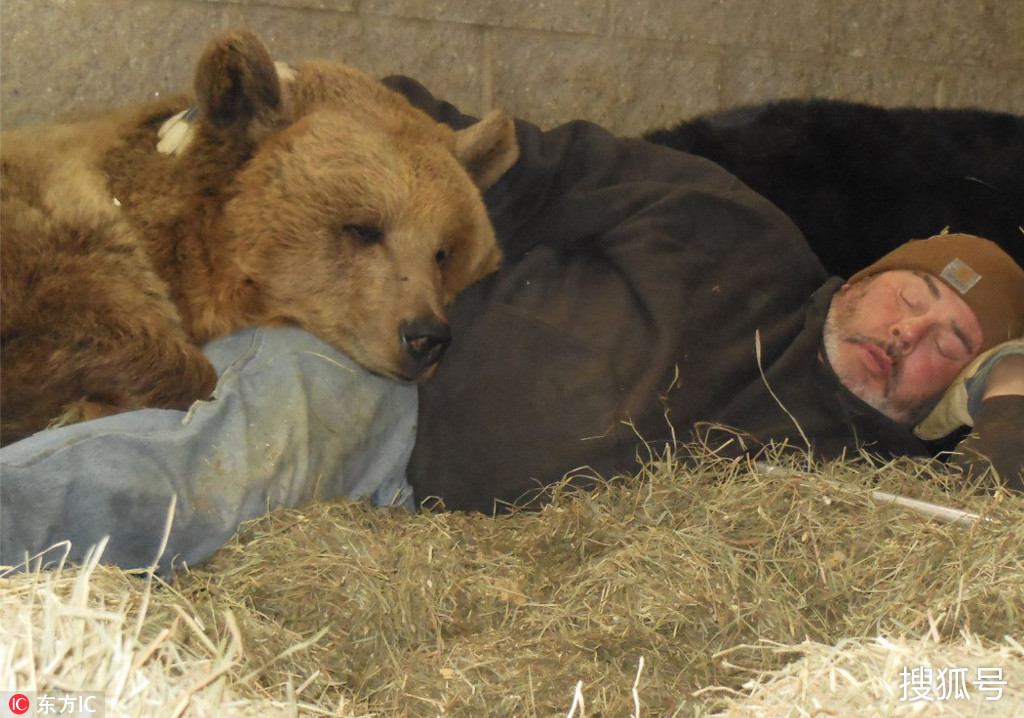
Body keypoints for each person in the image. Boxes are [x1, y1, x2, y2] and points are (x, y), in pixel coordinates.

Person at [2, 78, 1022, 575]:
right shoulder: (733, 232)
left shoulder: (871, 486)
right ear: (870, 274)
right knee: (204, 464)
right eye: (914, 295)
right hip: (395, 395)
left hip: (433, 573)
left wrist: (1010, 392)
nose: (910, 334)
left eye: (952, 344)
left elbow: (990, 542)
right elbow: (522, 168)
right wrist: (360, 115)